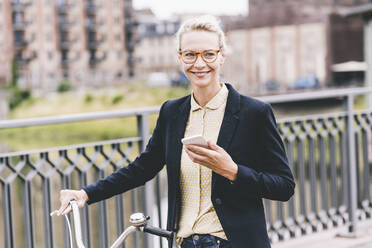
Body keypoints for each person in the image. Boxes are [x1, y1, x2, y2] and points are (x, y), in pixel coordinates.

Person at [58, 15, 295, 248]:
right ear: (180, 58)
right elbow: (143, 168)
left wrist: (232, 171)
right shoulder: (172, 112)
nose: (199, 63)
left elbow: (284, 186)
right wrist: (85, 194)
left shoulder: (254, 113)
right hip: (184, 243)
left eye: (208, 54)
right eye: (190, 55)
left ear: (222, 57)